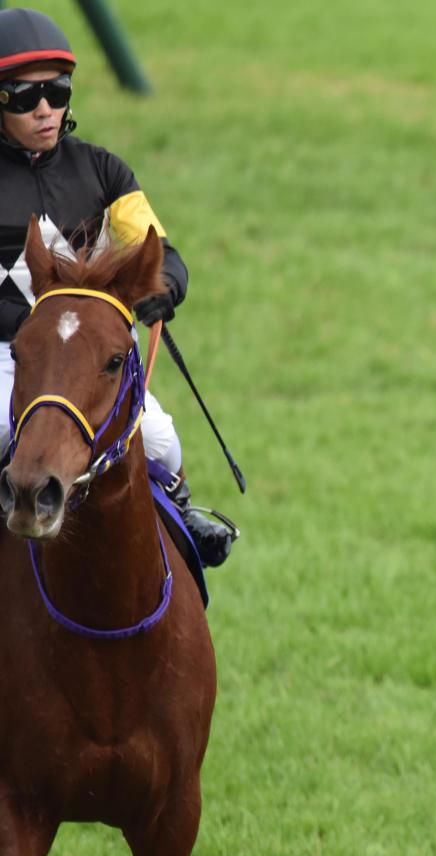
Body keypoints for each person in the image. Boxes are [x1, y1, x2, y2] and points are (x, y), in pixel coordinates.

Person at [0, 7, 235, 566]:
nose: (44, 110)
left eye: (56, 92)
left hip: (87, 359)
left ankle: (184, 526)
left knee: (160, 441)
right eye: (23, 98)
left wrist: (165, 287)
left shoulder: (105, 172)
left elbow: (163, 252)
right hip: (8, 355)